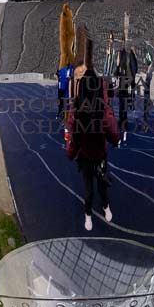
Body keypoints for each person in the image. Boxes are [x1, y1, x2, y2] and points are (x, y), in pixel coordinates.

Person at [68, 40, 114, 229]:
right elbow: (72, 125)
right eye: (78, 75)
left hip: (100, 149)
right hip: (85, 153)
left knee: (102, 183)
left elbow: (107, 113)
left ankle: (105, 206)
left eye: (83, 74)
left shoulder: (98, 93)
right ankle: (88, 214)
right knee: (88, 190)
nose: (81, 78)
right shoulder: (75, 103)